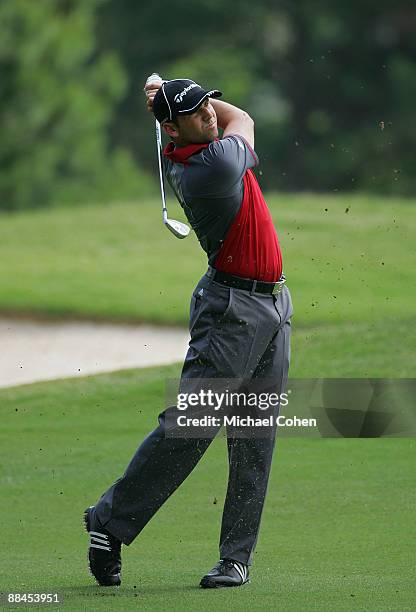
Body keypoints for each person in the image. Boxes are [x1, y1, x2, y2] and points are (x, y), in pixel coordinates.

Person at [84, 76, 293, 589]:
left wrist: (173, 102)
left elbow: (206, 118)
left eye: (207, 105)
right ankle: (108, 522)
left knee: (254, 435)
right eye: (196, 112)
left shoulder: (189, 143)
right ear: (173, 129)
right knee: (191, 426)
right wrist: (169, 98)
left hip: (272, 304)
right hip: (232, 311)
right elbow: (242, 116)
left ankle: (235, 559)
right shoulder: (213, 165)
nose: (209, 115)